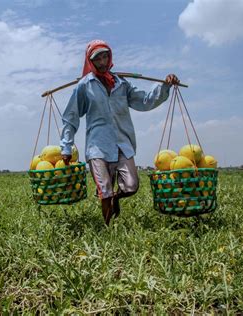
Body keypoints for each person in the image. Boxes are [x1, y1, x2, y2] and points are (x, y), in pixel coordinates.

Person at [60, 40, 180, 225]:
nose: (102, 62)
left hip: (122, 143)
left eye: (105, 56)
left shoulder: (121, 84)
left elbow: (145, 101)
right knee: (105, 191)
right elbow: (71, 116)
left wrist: (165, 86)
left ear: (110, 57)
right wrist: (66, 147)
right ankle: (108, 229)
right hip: (97, 147)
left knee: (132, 185)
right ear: (90, 62)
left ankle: (117, 198)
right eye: (97, 59)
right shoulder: (85, 86)